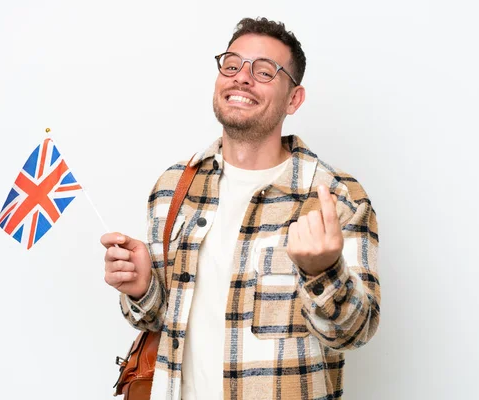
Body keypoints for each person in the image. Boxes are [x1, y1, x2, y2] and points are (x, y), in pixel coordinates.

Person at [101, 17, 380, 400]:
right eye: (231, 66)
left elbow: (354, 332)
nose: (242, 78)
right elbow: (158, 321)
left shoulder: (337, 197)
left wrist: (323, 272)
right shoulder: (173, 188)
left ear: (293, 99)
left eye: (264, 71)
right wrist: (142, 288)